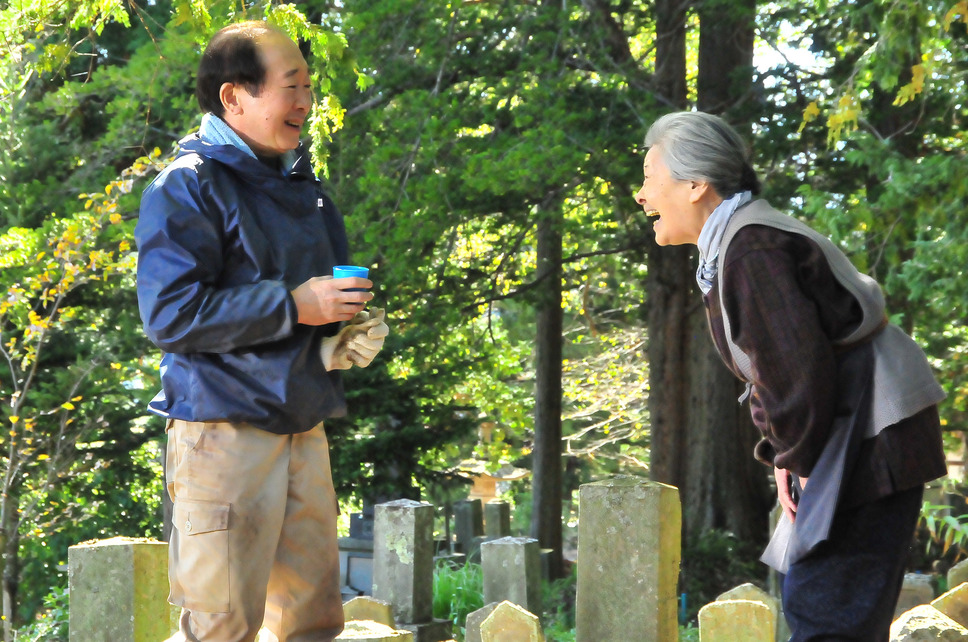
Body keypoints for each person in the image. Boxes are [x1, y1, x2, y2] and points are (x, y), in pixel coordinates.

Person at [634, 111, 947, 641]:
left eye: (648, 176)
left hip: (867, 442)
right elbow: (788, 370)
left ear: (694, 184)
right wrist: (788, 459)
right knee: (826, 611)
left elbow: (798, 375)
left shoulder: (751, 249)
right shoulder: (740, 242)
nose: (641, 195)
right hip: (855, 438)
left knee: (826, 617)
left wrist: (798, 459)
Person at [135, 21, 389, 642]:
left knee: (314, 623)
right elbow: (170, 314)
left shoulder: (304, 185)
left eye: (309, 86)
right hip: (222, 431)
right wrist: (296, 308)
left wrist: (339, 335)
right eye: (291, 86)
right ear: (233, 96)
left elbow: (306, 302)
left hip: (303, 423)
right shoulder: (185, 185)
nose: (305, 102)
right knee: (221, 627)